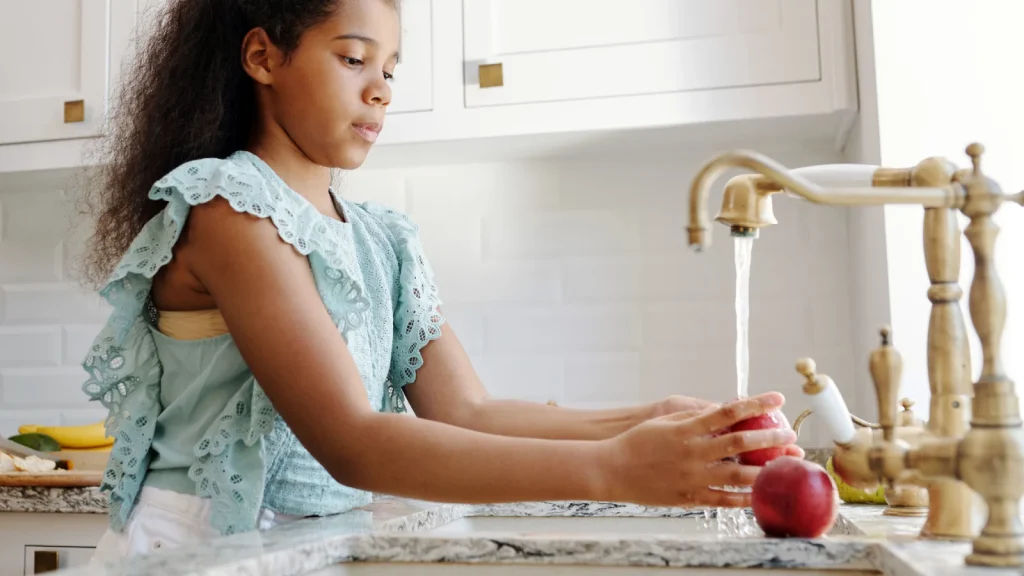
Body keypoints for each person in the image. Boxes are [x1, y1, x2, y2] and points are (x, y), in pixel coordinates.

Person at [77, 0, 802, 561]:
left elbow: (468, 412)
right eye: (354, 59)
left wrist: (649, 419)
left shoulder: (382, 240)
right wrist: (613, 469)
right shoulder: (228, 208)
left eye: (390, 70)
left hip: (309, 546)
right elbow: (352, 441)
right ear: (263, 57)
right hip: (197, 549)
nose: (380, 90)